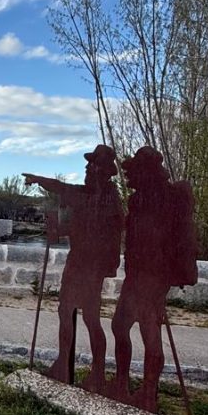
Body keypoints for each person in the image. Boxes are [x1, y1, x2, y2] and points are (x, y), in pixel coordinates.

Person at [24, 144, 123, 391]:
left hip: (87, 264)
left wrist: (39, 180)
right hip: (84, 262)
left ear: (100, 169)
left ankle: (92, 371)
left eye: (92, 165)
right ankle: (68, 365)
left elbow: (64, 190)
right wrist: (58, 230)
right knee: (73, 313)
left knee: (85, 316)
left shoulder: (102, 198)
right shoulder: (97, 196)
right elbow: (80, 223)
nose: (87, 168)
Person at [107, 146, 199, 411]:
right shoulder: (139, 199)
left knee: (149, 332)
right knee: (120, 326)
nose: (130, 177)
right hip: (137, 274)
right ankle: (122, 384)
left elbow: (165, 238)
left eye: (135, 171)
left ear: (146, 172)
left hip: (153, 276)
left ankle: (148, 394)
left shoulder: (165, 200)